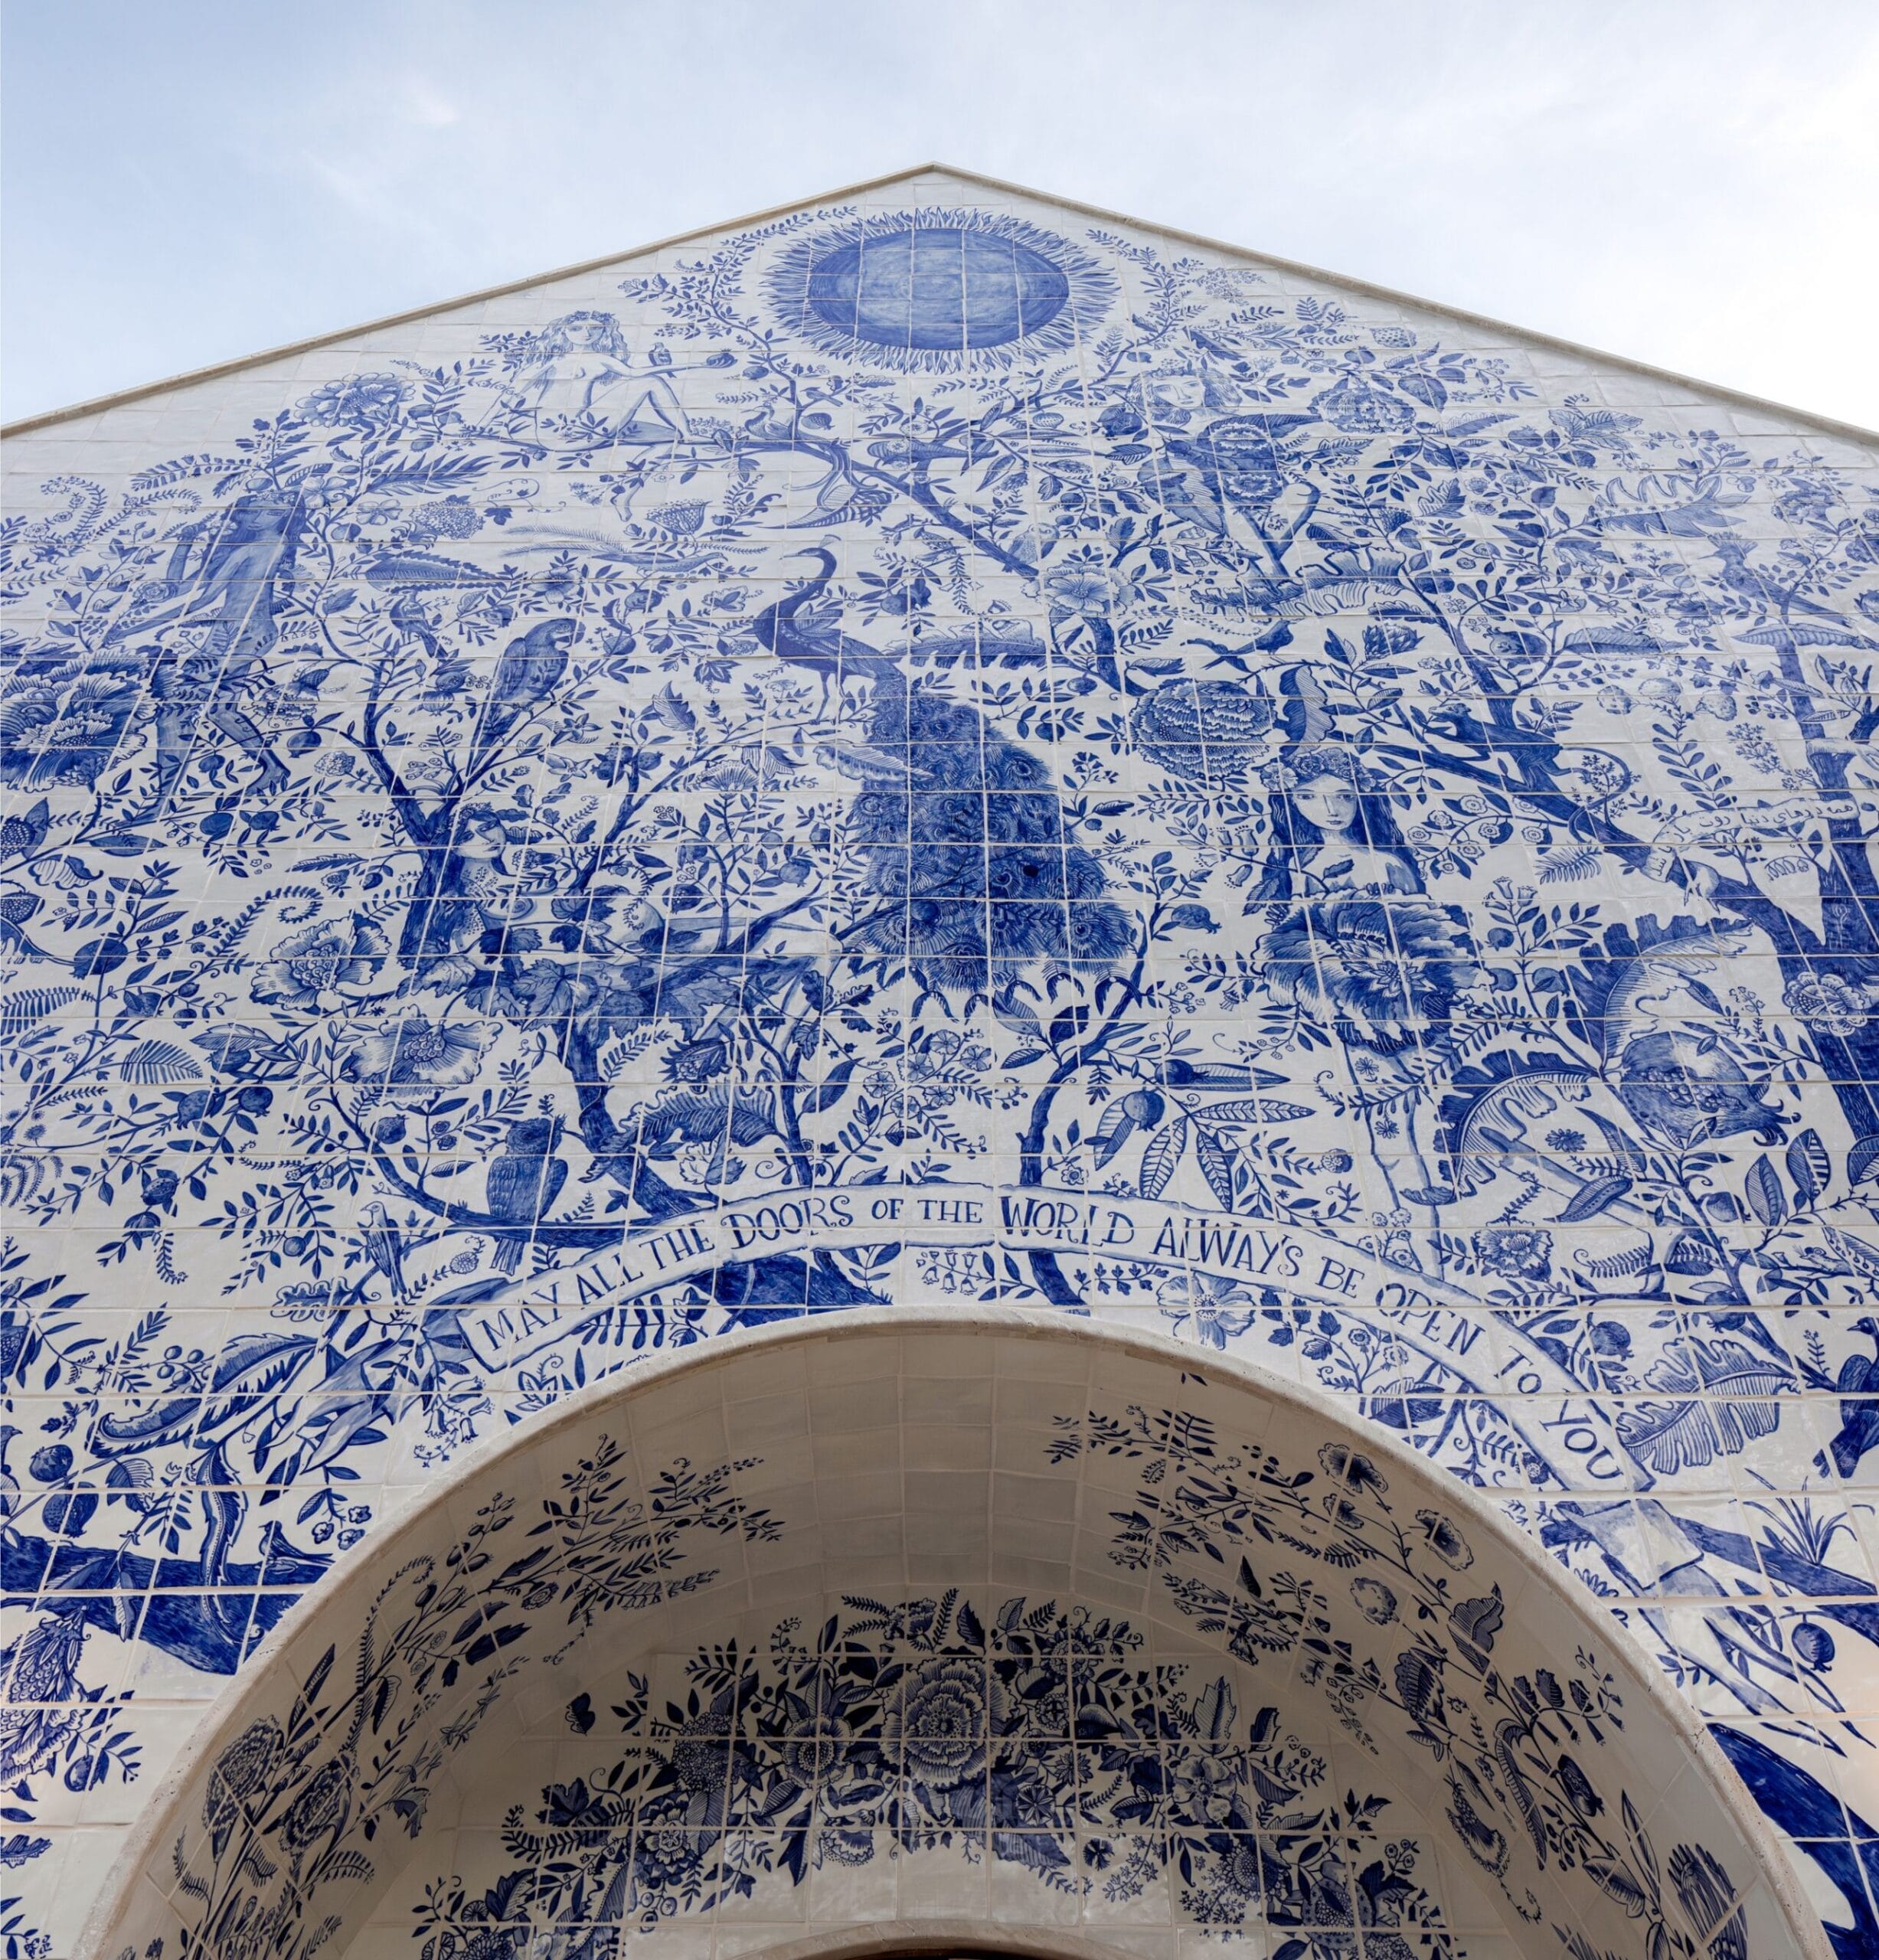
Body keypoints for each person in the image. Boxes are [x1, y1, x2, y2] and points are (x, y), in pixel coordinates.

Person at [1254, 746, 1420, 900]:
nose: (1331, 809)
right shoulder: (1299, 864)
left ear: (1361, 799)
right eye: (1307, 796)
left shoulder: (1387, 863)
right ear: (1292, 802)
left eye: (1345, 796)